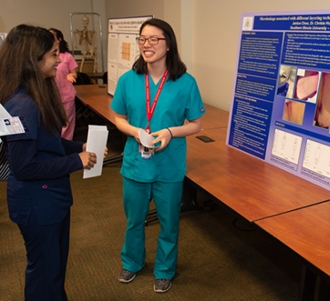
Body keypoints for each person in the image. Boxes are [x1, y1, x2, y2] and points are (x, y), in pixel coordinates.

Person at [0, 24, 103, 301]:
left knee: (52, 270)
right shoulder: (23, 105)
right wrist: (75, 161)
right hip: (37, 203)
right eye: (53, 54)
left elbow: (47, 143)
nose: (59, 60)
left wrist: (77, 146)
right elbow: (24, 167)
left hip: (49, 199)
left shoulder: (35, 95)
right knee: (45, 273)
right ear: (33, 59)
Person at [110, 18, 205, 293]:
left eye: (154, 39)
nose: (146, 44)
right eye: (142, 39)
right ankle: (132, 261)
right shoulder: (129, 79)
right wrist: (135, 130)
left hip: (169, 166)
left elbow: (196, 124)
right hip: (136, 164)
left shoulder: (186, 82)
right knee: (134, 220)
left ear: (168, 44)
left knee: (169, 223)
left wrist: (170, 132)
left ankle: (165, 269)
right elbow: (119, 118)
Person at [49, 28, 78, 140]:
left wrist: (72, 76)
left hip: (65, 95)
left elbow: (74, 73)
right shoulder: (46, 55)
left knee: (66, 124)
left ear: (59, 39)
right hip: (51, 96)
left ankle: (65, 148)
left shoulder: (67, 56)